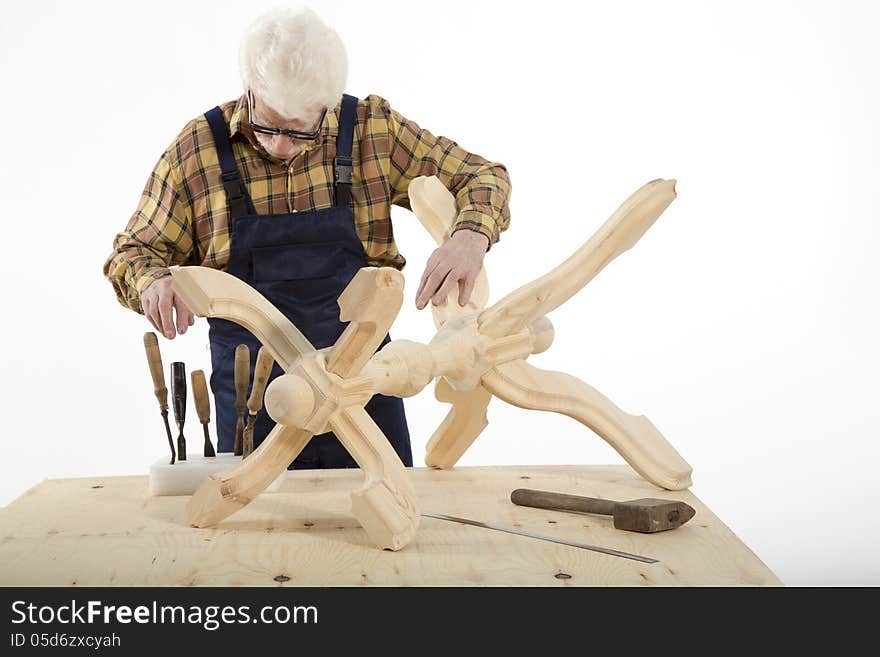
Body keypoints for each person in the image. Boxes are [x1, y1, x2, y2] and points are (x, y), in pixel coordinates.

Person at [102, 6, 511, 469]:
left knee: (387, 524)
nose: (279, 146)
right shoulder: (198, 151)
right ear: (249, 86)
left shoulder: (370, 130)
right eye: (269, 123)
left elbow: (482, 176)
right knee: (256, 536)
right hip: (254, 404)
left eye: (301, 130)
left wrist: (469, 237)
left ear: (327, 103)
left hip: (366, 392)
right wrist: (151, 281)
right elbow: (133, 252)